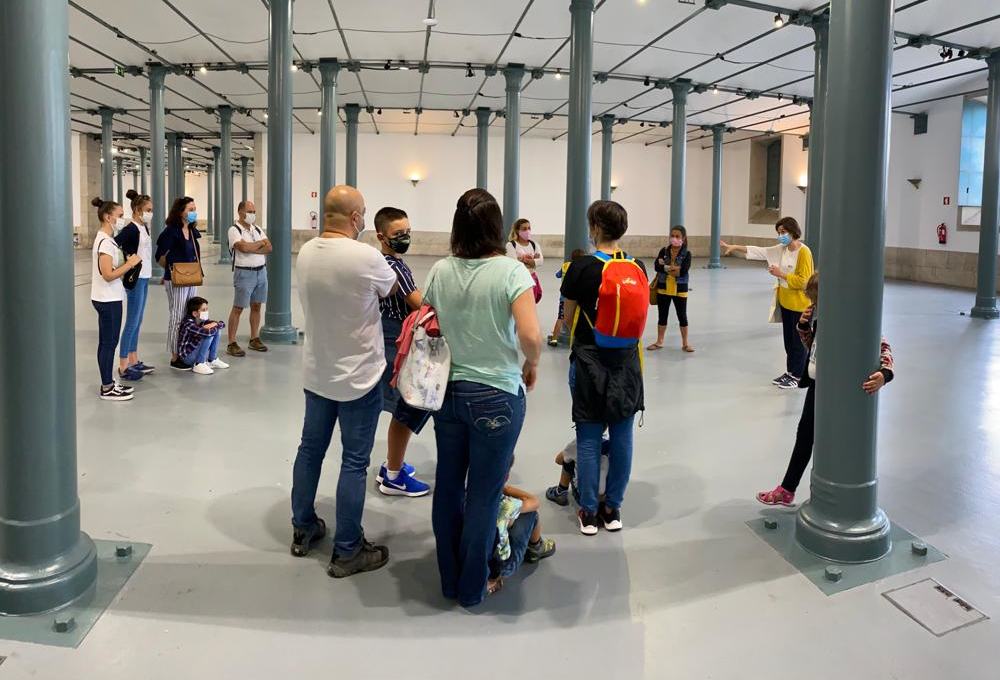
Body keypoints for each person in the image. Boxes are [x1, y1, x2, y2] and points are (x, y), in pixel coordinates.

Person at [426, 188, 542, 608]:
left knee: (448, 486)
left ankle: (450, 579)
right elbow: (531, 336)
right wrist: (532, 363)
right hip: (496, 395)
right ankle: (474, 586)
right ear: (497, 226)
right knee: (484, 494)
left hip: (448, 392)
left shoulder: (440, 269)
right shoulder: (511, 271)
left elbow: (430, 320)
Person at [290, 185, 399, 579]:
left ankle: (303, 527)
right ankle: (348, 549)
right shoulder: (366, 256)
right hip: (360, 379)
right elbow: (392, 288)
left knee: (310, 451)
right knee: (354, 462)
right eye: (364, 212)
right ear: (356, 218)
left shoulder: (306, 252)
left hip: (317, 373)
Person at [756, 273, 895, 506]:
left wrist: (884, 374)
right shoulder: (822, 320)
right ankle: (787, 489)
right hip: (818, 386)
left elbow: (883, 346)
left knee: (837, 441)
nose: (815, 306)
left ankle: (842, 494)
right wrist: (803, 326)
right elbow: (813, 348)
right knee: (805, 436)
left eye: (817, 301)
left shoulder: (855, 321)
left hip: (841, 392)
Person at [561, 200, 646, 536]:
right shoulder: (637, 266)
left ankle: (588, 511)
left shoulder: (580, 267)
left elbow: (568, 319)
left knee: (589, 436)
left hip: (588, 362)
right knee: (623, 437)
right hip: (626, 364)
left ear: (594, 227)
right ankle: (612, 509)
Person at [373, 206, 431, 498]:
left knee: (404, 408)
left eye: (407, 231)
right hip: (397, 340)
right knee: (408, 407)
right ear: (381, 236)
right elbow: (419, 303)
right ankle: (394, 476)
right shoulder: (392, 267)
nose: (405, 237)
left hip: (392, 336)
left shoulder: (389, 262)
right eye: (398, 233)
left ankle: (393, 463)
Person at [720, 216, 814, 389]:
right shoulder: (782, 249)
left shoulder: (803, 252)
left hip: (799, 304)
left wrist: (781, 274)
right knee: (788, 340)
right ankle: (791, 372)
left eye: (783, 232)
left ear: (793, 231)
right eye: (779, 232)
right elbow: (761, 251)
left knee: (798, 342)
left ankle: (798, 375)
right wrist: (735, 247)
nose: (781, 236)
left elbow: (804, 281)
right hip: (785, 301)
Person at [90, 197, 142, 402]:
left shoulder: (107, 239)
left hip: (108, 296)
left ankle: (108, 382)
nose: (122, 219)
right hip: (107, 299)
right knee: (109, 344)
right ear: (107, 217)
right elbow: (107, 274)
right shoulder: (105, 242)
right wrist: (130, 264)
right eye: (120, 216)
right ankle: (107, 387)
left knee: (107, 343)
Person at [486, 457, 556, 596]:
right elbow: (534, 501)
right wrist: (506, 488)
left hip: (469, 558)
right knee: (530, 513)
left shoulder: (465, 496)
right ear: (506, 477)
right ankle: (536, 548)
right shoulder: (506, 505)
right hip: (500, 565)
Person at [155, 196, 203, 371]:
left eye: (194, 209)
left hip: (192, 278)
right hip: (177, 279)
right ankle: (175, 356)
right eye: (190, 209)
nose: (193, 212)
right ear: (180, 211)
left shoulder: (191, 230)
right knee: (177, 316)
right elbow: (160, 256)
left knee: (190, 315)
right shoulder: (170, 232)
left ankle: (186, 350)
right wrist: (169, 270)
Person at [115, 189, 156, 381]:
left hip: (145, 277)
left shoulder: (143, 227)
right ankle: (123, 365)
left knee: (138, 320)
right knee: (132, 321)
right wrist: (126, 261)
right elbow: (114, 243)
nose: (150, 213)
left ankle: (134, 358)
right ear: (138, 211)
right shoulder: (131, 228)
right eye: (148, 210)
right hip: (135, 278)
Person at [227, 200, 272, 357]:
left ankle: (254, 338)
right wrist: (259, 244)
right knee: (238, 307)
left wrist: (251, 247)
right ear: (240, 212)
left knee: (257, 306)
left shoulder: (257, 229)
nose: (252, 214)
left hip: (261, 272)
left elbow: (269, 247)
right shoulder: (234, 230)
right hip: (244, 273)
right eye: (249, 211)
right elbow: (242, 247)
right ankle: (231, 343)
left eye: (254, 212)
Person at [648, 225, 694, 353]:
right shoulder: (663, 251)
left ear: (683, 238)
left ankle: (685, 343)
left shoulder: (687, 254)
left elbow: (683, 271)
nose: (674, 238)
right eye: (672, 236)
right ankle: (659, 341)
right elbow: (657, 266)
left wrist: (665, 267)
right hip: (663, 288)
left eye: (677, 236)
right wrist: (673, 268)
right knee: (662, 315)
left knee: (682, 316)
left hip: (680, 289)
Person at [544, 434, 611, 507]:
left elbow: (558, 460)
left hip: (587, 499)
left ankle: (560, 492)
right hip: (610, 497)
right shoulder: (613, 441)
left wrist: (569, 449)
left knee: (568, 460)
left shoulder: (580, 442)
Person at [177, 296, 230, 376]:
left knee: (217, 329)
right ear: (195, 313)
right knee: (210, 333)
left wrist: (215, 324)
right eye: (203, 310)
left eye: (206, 309)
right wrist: (214, 326)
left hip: (194, 352)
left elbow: (222, 324)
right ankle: (199, 364)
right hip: (187, 357)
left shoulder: (199, 319)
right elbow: (209, 333)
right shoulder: (188, 324)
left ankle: (212, 360)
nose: (206, 312)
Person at [548, 248, 587, 347]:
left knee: (560, 318)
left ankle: (554, 339)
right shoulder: (583, 268)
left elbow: (557, 275)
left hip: (564, 297)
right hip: (576, 298)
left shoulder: (565, 266)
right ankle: (577, 338)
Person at [506, 217, 543, 303]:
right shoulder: (511, 245)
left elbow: (541, 261)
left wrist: (523, 260)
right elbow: (514, 264)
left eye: (529, 228)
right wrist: (533, 261)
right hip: (518, 280)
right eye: (524, 229)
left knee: (531, 303)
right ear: (517, 230)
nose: (527, 231)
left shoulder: (534, 244)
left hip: (532, 279)